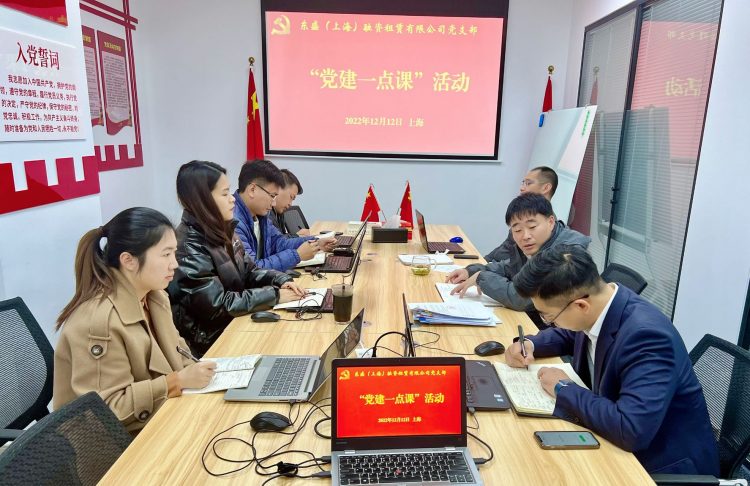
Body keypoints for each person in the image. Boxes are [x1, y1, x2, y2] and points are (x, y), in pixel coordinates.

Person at [506, 245, 719, 475]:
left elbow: (630, 429)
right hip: (611, 440)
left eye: (548, 316)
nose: (549, 322)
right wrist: (531, 344)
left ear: (581, 306)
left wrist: (562, 387)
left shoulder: (647, 337)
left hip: (656, 466)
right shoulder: (603, 304)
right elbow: (571, 333)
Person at [54, 207, 217, 433]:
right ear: (128, 260)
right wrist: (176, 382)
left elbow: (179, 353)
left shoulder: (154, 296)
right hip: (111, 444)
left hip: (158, 418)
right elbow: (106, 410)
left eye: (174, 253)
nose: (174, 264)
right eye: (165, 254)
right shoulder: (99, 322)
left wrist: (202, 374)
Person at [168, 160, 305, 356]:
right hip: (212, 344)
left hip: (235, 325)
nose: (232, 199)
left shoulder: (224, 230)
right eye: (225, 194)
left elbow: (250, 270)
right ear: (203, 199)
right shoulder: (189, 247)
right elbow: (218, 306)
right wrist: (275, 295)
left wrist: (280, 280)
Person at [446, 193, 589, 310]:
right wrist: (471, 271)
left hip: (558, 328)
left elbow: (523, 298)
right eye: (518, 230)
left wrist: (482, 278)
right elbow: (509, 267)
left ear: (551, 222)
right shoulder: (537, 245)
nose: (525, 236)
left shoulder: (566, 253)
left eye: (532, 227)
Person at [233, 160, 336, 271]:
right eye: (272, 196)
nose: (273, 203)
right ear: (252, 190)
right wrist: (297, 255)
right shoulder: (233, 223)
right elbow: (253, 269)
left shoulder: (261, 216)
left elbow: (280, 243)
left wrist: (316, 243)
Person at [485, 166, 559, 264]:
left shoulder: (548, 227)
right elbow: (505, 248)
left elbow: (518, 264)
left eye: (528, 183)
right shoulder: (522, 215)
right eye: (517, 230)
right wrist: (482, 262)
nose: (522, 188)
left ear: (546, 188)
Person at [269, 168, 310, 237]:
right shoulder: (266, 212)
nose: (290, 204)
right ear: (278, 188)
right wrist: (297, 236)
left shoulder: (278, 212)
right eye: (291, 197)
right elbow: (274, 241)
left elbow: (280, 237)